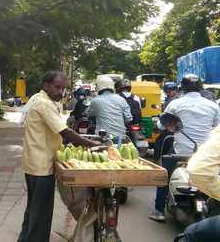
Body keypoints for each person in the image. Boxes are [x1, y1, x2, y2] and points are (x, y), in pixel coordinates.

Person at [18, 71, 102, 242]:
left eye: (63, 88)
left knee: (33, 210)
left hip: (34, 163)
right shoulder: (44, 103)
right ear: (46, 85)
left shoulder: (37, 98)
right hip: (41, 166)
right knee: (41, 214)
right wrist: (94, 145)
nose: (60, 92)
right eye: (57, 87)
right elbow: (65, 132)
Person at [149, 74, 220, 222]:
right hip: (206, 154)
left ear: (182, 88)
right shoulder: (213, 106)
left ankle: (159, 211)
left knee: (163, 176)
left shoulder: (175, 104)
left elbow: (161, 125)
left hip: (180, 151)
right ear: (200, 88)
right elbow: (216, 126)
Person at [87, 75, 133, 140]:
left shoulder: (95, 100)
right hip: (120, 137)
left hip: (102, 138)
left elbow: (89, 114)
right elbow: (129, 119)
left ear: (98, 87)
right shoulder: (121, 99)